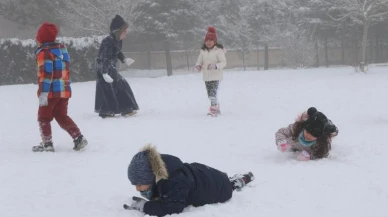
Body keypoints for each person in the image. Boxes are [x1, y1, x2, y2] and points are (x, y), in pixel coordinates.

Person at [125, 144, 254, 216]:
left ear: (151, 176)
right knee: (223, 181)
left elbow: (173, 208)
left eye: (140, 184)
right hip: (201, 176)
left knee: (228, 185)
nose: (137, 189)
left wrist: (146, 207)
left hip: (215, 188)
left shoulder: (174, 181)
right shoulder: (160, 168)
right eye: (135, 184)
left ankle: (239, 181)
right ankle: (232, 180)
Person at [32, 22, 88, 152]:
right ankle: (78, 137)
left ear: (41, 39)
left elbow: (46, 75)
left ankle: (47, 144)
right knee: (61, 115)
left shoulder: (44, 53)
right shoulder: (62, 50)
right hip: (64, 91)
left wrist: (43, 93)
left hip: (50, 92)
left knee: (43, 117)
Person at [95, 14, 139, 118]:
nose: (125, 33)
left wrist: (124, 59)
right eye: (124, 31)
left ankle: (124, 109)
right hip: (104, 67)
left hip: (110, 66)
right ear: (118, 31)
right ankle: (108, 111)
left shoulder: (117, 40)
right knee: (109, 88)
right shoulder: (108, 41)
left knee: (120, 86)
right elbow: (105, 57)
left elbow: (117, 52)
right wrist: (104, 73)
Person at [195, 26, 227, 117]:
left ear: (215, 41)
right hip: (206, 76)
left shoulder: (218, 51)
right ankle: (216, 107)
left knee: (213, 94)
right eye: (207, 40)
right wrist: (198, 65)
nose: (208, 42)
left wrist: (216, 66)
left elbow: (224, 62)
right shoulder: (203, 51)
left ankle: (214, 110)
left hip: (216, 76)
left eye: (210, 40)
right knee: (210, 95)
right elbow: (199, 61)